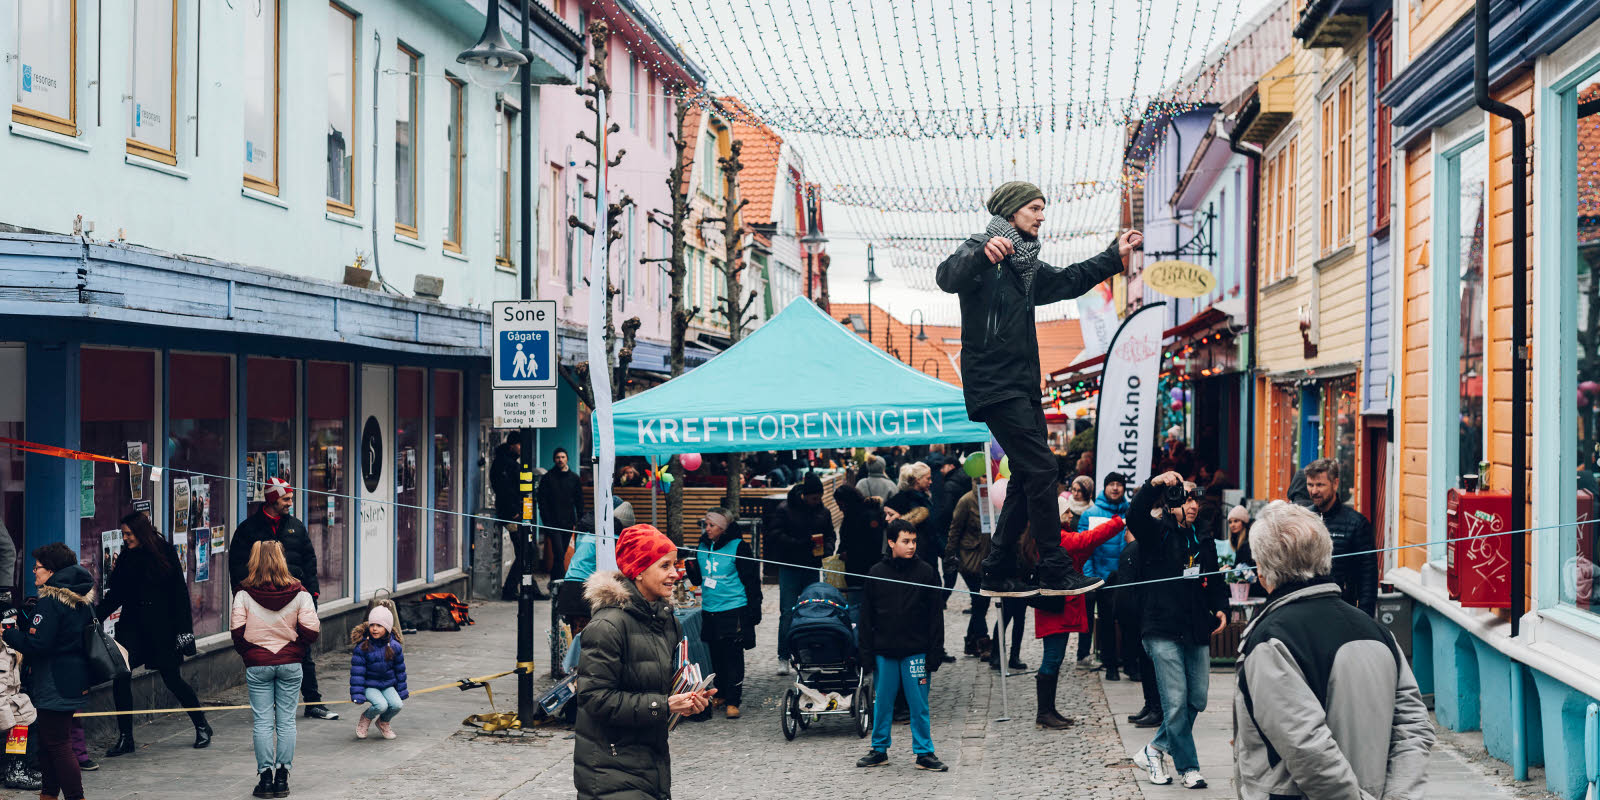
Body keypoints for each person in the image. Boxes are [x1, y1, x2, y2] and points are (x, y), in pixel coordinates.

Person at [938, 181, 1139, 597]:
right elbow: (947, 276)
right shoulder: (982, 248)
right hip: (995, 384)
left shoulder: (1024, 267)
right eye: (1034, 208)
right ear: (1012, 212)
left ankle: (997, 570)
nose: (1041, 216)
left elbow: (1068, 280)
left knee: (1028, 475)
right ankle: (1053, 567)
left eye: (1042, 208)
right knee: (1043, 468)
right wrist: (980, 255)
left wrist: (1111, 257)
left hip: (1024, 385)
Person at [1233, 502, 1436, 799]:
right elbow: (1414, 729)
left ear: (1262, 571)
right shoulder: (1377, 631)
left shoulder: (1270, 642)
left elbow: (1308, 749)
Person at [575, 525, 713, 799]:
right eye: (665, 566)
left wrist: (687, 702)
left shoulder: (666, 621)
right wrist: (662, 705)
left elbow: (659, 687)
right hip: (609, 767)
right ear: (639, 571)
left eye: (675, 565)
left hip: (650, 762)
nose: (675, 573)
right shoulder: (607, 626)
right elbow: (594, 698)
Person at [1127, 472, 1229, 790]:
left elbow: (1212, 578)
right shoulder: (1156, 533)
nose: (1192, 505)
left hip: (1195, 626)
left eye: (1194, 498)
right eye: (1184, 499)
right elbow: (1134, 515)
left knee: (1195, 698)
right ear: (1170, 505)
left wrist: (1221, 605)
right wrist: (1154, 484)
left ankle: (1153, 750)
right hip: (1160, 628)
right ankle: (1188, 768)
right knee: (1175, 701)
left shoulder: (1204, 536)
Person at [98, 511, 210, 756]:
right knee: (121, 676)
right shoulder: (127, 557)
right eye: (123, 534)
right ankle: (126, 737)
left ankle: (201, 725)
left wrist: (184, 633)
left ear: (141, 532)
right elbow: (115, 594)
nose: (125, 538)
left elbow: (180, 595)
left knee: (172, 679)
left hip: (162, 629)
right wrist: (96, 616)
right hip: (132, 628)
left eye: (129, 534)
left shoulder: (164, 552)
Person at [228, 476, 336, 721]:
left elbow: (309, 562)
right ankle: (270, 706)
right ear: (272, 499)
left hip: (293, 601)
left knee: (302, 653)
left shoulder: (296, 527)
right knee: (267, 654)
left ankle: (313, 703)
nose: (290, 503)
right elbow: (237, 568)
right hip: (260, 603)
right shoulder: (248, 530)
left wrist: (313, 595)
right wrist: (242, 599)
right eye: (286, 498)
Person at [855, 520, 948, 772]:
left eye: (914, 541)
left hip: (916, 652)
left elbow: (935, 617)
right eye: (905, 541)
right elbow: (866, 618)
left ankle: (924, 753)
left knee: (919, 705)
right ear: (891, 542)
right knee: (882, 702)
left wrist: (935, 651)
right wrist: (865, 653)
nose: (911, 546)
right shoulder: (876, 573)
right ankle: (879, 749)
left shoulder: (926, 572)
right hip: (884, 652)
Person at [231, 540, 320, 798]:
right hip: (291, 663)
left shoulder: (243, 594)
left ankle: (265, 780)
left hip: (258, 664)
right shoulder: (301, 593)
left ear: (253, 560)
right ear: (282, 559)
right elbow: (311, 631)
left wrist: (251, 653)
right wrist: (295, 647)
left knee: (262, 722)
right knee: (286, 721)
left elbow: (237, 633)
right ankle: (283, 778)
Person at [4, 543, 91, 800]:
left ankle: (76, 797)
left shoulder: (52, 600)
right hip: (73, 677)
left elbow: (38, 644)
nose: (33, 572)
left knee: (59, 745)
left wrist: (10, 634)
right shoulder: (78, 596)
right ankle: (49, 794)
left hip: (55, 679)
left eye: (37, 567)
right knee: (50, 743)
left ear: (51, 571)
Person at [1033, 515, 1128, 728]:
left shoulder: (1055, 535)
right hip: (1054, 607)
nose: (1071, 515)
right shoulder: (1056, 537)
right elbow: (1085, 540)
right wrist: (1118, 523)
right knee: (1052, 658)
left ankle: (1049, 710)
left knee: (1054, 658)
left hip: (1057, 606)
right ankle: (1044, 713)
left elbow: (1083, 549)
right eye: (1066, 512)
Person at [683, 509, 761, 720]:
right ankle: (722, 693)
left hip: (733, 608)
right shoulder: (702, 545)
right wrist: (691, 569)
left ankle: (734, 700)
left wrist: (755, 609)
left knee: (733, 655)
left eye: (711, 525)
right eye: (705, 524)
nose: (706, 529)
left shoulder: (738, 547)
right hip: (710, 609)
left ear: (723, 527)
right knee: (716, 655)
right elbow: (699, 580)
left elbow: (751, 580)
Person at [764, 472, 835, 667]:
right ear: (804, 494)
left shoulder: (823, 512)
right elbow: (775, 535)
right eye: (814, 498)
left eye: (819, 498)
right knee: (787, 611)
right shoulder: (785, 510)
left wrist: (827, 549)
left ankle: (808, 653)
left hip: (812, 566)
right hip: (790, 566)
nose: (817, 501)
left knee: (812, 609)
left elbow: (830, 535)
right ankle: (784, 655)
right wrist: (800, 544)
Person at [1303, 459, 1379, 617]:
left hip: (1343, 611)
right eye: (1310, 485)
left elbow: (1368, 577)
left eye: (1320, 485)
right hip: (1306, 608)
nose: (1314, 491)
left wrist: (1365, 617)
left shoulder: (1356, 523)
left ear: (1335, 483)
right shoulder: (1303, 519)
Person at [1076, 472, 1130, 676]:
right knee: (1105, 624)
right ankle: (1110, 665)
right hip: (1100, 578)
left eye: (1119, 484)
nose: (1115, 488)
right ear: (1105, 487)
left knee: (1127, 622)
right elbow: (1085, 548)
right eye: (1111, 484)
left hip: (1124, 578)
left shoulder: (1129, 511)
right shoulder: (1091, 514)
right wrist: (1091, 577)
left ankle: (1128, 662)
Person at [492, 433, 547, 601]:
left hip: (518, 513)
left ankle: (528, 588)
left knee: (525, 551)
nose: (522, 449)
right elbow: (504, 491)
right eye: (520, 445)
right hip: (512, 515)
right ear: (512, 445)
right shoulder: (503, 464)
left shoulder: (510, 463)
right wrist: (514, 512)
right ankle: (512, 589)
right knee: (526, 551)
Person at [349, 604, 408, 740]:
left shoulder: (394, 646)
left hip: (387, 684)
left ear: (387, 628)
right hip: (369, 685)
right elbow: (357, 672)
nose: (374, 628)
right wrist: (357, 694)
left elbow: (400, 670)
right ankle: (366, 718)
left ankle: (383, 722)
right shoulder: (363, 647)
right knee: (381, 705)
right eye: (372, 625)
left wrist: (401, 690)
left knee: (397, 705)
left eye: (379, 625)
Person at [832, 484, 887, 604]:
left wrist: (849, 555)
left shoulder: (868, 516)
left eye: (841, 505)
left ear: (848, 502)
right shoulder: (851, 516)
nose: (840, 509)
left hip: (864, 571)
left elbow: (872, 545)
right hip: (854, 571)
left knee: (857, 606)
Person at [539, 447, 584, 581]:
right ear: (554, 459)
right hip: (552, 523)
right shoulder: (548, 477)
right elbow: (542, 500)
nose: (560, 460)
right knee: (558, 553)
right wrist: (546, 521)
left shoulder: (574, 478)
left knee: (562, 553)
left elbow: (579, 501)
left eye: (563, 457)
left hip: (568, 522)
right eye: (558, 457)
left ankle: (555, 581)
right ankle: (560, 581)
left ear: (567, 459)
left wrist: (579, 520)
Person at [886, 462, 937, 571]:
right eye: (928, 478)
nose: (931, 482)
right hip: (918, 557)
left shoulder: (922, 499)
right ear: (918, 479)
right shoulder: (910, 501)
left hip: (922, 555)